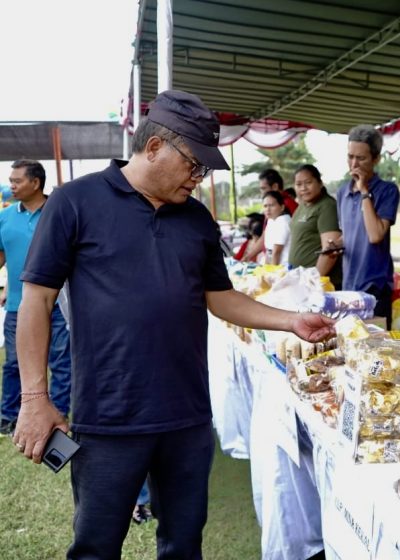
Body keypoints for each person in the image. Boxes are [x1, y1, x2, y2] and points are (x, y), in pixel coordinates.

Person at [11, 89, 335, 559]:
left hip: (187, 419)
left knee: (183, 545)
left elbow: (219, 296)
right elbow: (36, 301)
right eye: (194, 164)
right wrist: (35, 399)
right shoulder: (75, 202)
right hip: (109, 418)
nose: (199, 177)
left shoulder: (196, 218)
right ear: (156, 146)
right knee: (95, 547)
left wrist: (289, 321)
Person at [0, 160, 72, 437]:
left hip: (59, 307)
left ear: (35, 183)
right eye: (11, 180)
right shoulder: (5, 218)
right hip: (19, 306)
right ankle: (8, 415)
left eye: (17, 181)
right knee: (14, 364)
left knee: (61, 363)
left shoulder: (60, 213)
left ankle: (57, 415)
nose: (11, 186)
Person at [337, 124, 400, 328]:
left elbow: (375, 235)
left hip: (375, 286)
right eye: (349, 156)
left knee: (377, 349)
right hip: (349, 285)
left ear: (376, 159)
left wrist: (364, 191)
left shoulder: (387, 191)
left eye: (361, 158)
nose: (353, 163)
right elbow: (349, 233)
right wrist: (335, 244)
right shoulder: (342, 192)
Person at [288, 164, 343, 289]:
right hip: (301, 280)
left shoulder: (327, 206)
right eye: (299, 184)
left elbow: (330, 250)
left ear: (320, 183)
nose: (303, 188)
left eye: (308, 182)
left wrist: (313, 282)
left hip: (320, 285)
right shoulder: (302, 206)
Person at [262, 190, 292, 265]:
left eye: (271, 205)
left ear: (282, 207)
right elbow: (269, 252)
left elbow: (276, 252)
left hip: (284, 268)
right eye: (265, 206)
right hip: (275, 266)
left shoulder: (283, 221)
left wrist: (272, 274)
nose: (268, 209)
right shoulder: (271, 220)